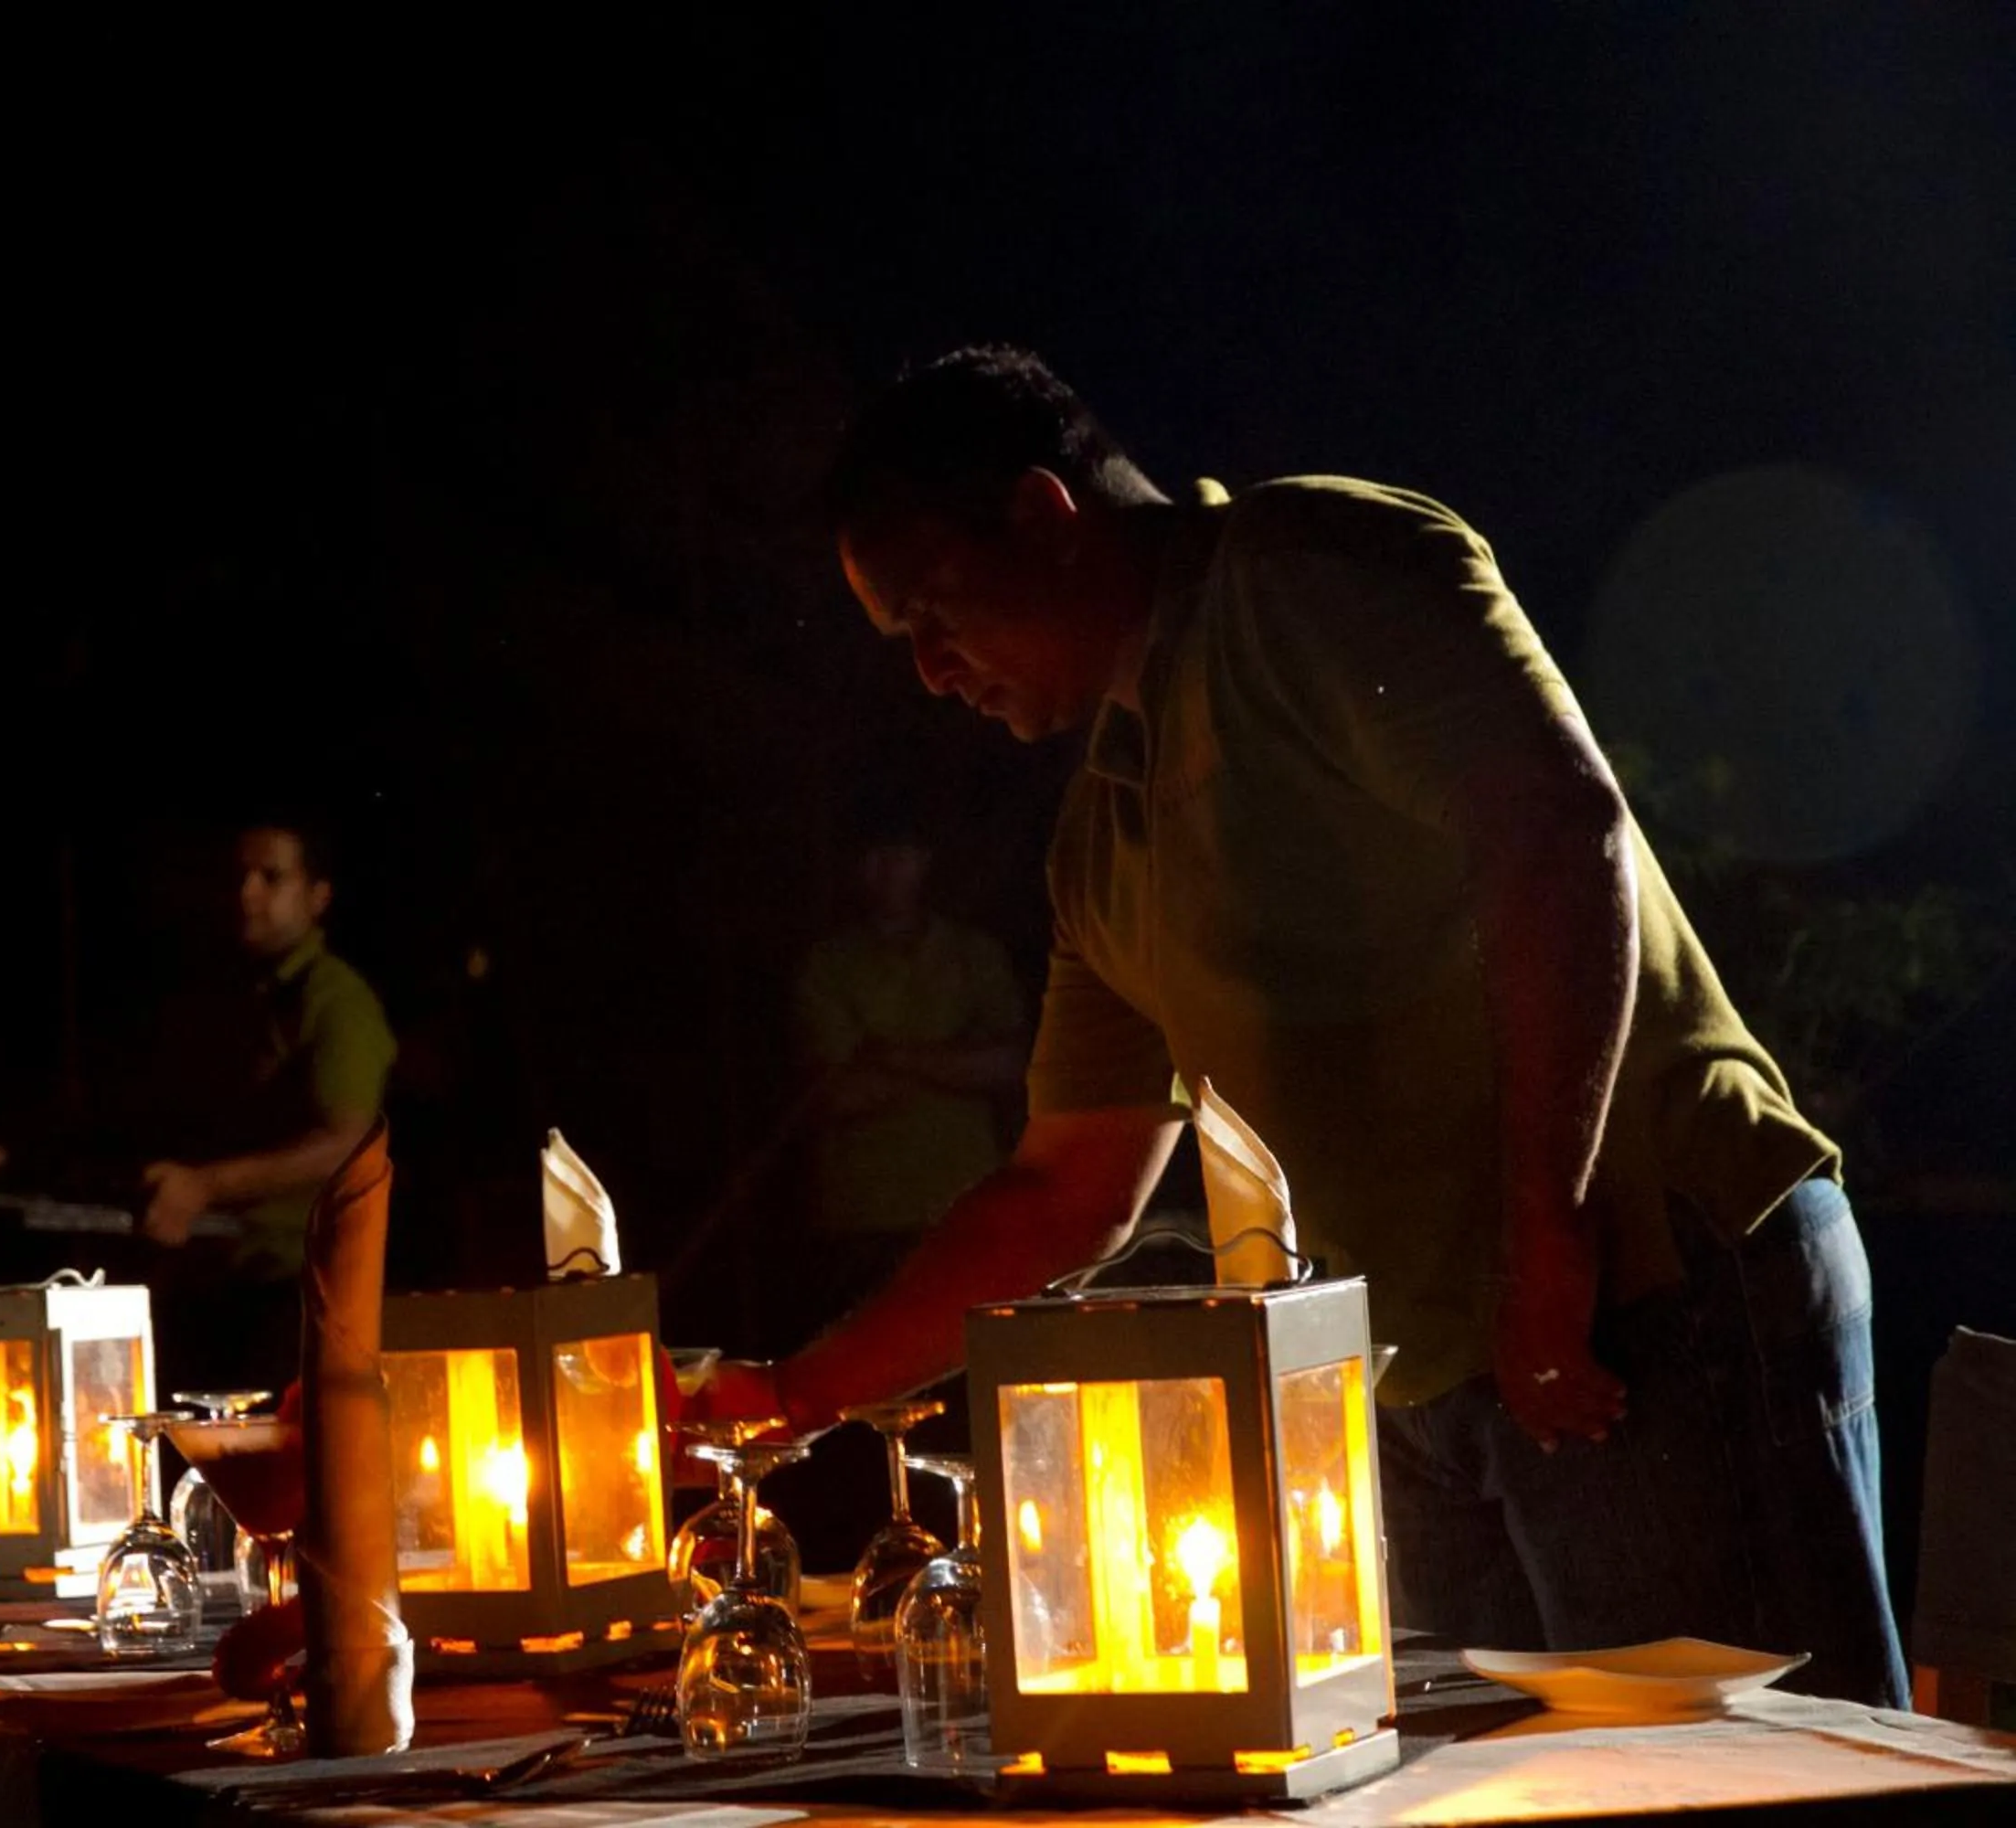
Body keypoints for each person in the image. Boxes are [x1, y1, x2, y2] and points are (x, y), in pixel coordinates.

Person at [698, 345, 1907, 1706]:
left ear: (1044, 516)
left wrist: (1547, 1238)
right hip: (1427, 1385)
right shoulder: (1100, 836)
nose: (929, 673)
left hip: (1642, 1293)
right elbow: (1066, 1185)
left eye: (932, 613)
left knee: (1767, 1795)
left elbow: (1556, 830)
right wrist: (795, 1396)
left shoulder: (1302, 568)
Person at [135, 821, 398, 1387]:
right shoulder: (227, 997)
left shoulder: (336, 1002)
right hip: (210, 1284)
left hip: (297, 1294)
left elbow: (347, 1141)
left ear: (318, 895)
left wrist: (205, 1186)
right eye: (240, 876)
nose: (246, 892)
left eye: (271, 877)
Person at [790, 826, 1026, 1323]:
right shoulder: (829, 965)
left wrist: (889, 1055)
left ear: (924, 861)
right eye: (876, 854)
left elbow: (1007, 1065)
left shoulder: (972, 954)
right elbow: (837, 1095)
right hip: (862, 1213)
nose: (888, 870)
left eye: (901, 853)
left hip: (964, 1203)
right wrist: (956, 1063)